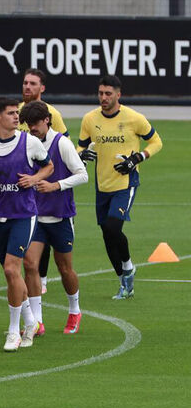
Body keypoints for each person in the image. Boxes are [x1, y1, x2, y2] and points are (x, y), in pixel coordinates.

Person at [0, 97, 53, 352]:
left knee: (10, 269)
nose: (16, 117)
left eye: (17, 113)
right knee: (13, 275)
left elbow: (48, 166)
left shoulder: (30, 143)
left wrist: (34, 177)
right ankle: (31, 321)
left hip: (23, 215)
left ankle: (14, 331)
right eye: (10, 113)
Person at [78, 75, 163, 299]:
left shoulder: (134, 118)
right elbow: (81, 146)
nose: (103, 98)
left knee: (114, 228)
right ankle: (124, 278)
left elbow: (156, 142)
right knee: (107, 233)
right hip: (102, 184)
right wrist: (81, 154)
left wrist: (137, 158)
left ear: (118, 95)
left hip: (126, 183)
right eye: (100, 93)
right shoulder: (89, 119)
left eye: (108, 94)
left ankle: (128, 269)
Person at [20, 101, 88, 334]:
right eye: (29, 125)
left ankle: (74, 310)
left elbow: (82, 175)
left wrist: (56, 186)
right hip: (35, 217)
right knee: (30, 264)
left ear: (47, 120)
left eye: (36, 124)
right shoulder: (27, 143)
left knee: (64, 267)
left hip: (60, 216)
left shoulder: (62, 144)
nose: (32, 129)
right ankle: (37, 321)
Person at [19, 67, 69, 294]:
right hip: (22, 185)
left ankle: (43, 278)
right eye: (25, 83)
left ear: (42, 88)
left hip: (44, 183)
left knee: (44, 228)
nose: (27, 87)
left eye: (32, 83)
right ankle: (35, 280)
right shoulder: (15, 111)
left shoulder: (53, 114)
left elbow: (61, 148)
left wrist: (54, 181)